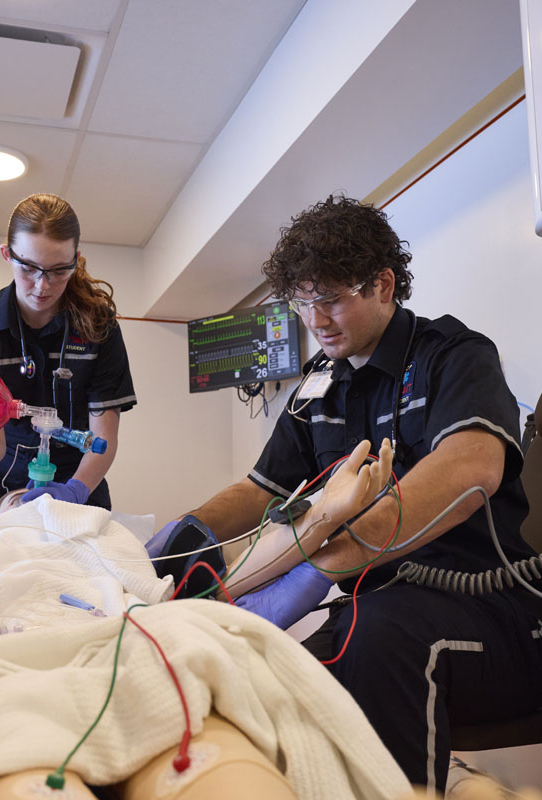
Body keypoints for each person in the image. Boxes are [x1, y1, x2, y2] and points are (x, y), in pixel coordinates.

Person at [149, 195, 542, 793]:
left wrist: (328, 557)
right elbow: (260, 490)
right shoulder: (316, 387)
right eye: (302, 302)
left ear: (383, 285)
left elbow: (473, 467)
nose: (315, 319)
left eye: (331, 298)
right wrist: (180, 543)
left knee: (378, 637)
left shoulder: (454, 355)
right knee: (271, 673)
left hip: (489, 605)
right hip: (372, 599)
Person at [0, 440, 410, 800]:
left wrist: (324, 514)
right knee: (17, 767)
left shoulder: (109, 536)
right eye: (14, 494)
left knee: (214, 757)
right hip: (0, 660)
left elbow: (227, 580)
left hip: (129, 649)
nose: (31, 494)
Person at [0, 193, 137, 518]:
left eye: (59, 270)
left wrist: (76, 490)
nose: (43, 285)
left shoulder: (99, 326)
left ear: (76, 259)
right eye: (29, 268)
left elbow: (103, 439)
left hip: (80, 475)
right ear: (7, 254)